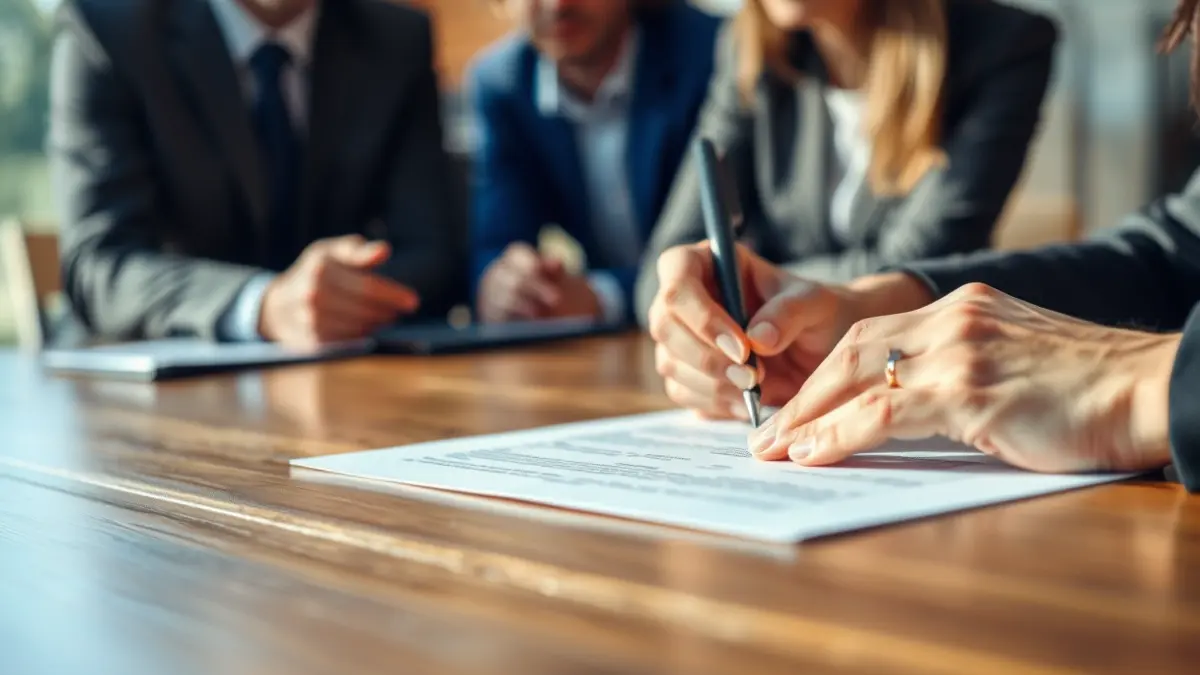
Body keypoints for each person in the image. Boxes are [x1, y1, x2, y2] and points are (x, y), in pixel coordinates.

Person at [645, 1, 1200, 492]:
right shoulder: (753, 48)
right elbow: (1180, 247)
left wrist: (1144, 384)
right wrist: (867, 304)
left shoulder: (1000, 44)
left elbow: (935, 238)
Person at [49, 0, 466, 347]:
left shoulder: (396, 39)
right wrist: (262, 304)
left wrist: (342, 295)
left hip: (342, 382)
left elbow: (431, 251)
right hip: (147, 390)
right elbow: (99, 265)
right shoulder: (110, 27)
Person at [634, 0, 1059, 323]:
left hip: (913, 366)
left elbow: (918, 265)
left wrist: (739, 284)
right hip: (777, 378)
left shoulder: (1004, 46)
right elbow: (665, 271)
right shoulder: (751, 48)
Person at [469, 0, 720, 326]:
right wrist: (506, 285)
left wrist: (603, 295)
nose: (558, 5)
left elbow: (735, 251)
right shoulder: (502, 83)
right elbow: (495, 243)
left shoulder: (711, 52)